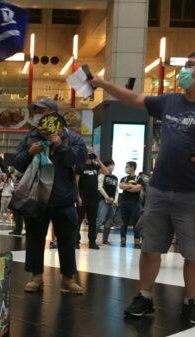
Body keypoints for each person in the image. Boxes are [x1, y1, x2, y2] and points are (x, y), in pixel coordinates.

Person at [93, 51, 195, 325]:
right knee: (150, 247)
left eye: (189, 65)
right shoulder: (170, 101)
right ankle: (144, 297)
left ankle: (191, 302)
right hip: (159, 189)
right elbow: (135, 98)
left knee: (194, 252)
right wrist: (102, 84)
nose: (184, 70)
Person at [14, 97, 87, 294]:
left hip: (64, 199)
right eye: (37, 111)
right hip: (36, 199)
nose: (39, 115)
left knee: (67, 240)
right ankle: (36, 277)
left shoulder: (72, 138)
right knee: (35, 238)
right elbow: (18, 163)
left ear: (54, 113)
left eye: (42, 111)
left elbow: (79, 160)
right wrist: (29, 153)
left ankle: (68, 279)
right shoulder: (30, 137)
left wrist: (59, 145)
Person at [76, 150, 107, 249]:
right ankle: (76, 241)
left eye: (90, 156)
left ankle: (92, 241)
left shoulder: (95, 166)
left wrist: (98, 159)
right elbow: (75, 182)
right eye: (87, 156)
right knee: (78, 219)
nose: (89, 158)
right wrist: (78, 196)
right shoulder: (80, 166)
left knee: (92, 220)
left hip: (93, 197)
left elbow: (106, 171)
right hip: (82, 196)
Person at [118, 161, 143, 248]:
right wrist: (131, 186)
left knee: (135, 223)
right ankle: (123, 240)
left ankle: (137, 241)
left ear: (132, 168)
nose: (126, 168)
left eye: (127, 166)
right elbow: (121, 186)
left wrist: (127, 186)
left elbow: (137, 188)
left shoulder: (139, 178)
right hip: (124, 203)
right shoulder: (124, 178)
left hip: (135, 204)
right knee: (123, 223)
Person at [96, 159, 119, 245]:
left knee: (109, 221)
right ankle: (93, 239)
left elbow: (116, 190)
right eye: (110, 165)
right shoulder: (102, 176)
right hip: (103, 201)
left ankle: (105, 239)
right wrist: (107, 197)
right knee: (100, 220)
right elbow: (100, 188)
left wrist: (116, 200)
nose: (112, 167)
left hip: (112, 203)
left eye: (113, 165)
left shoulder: (115, 177)